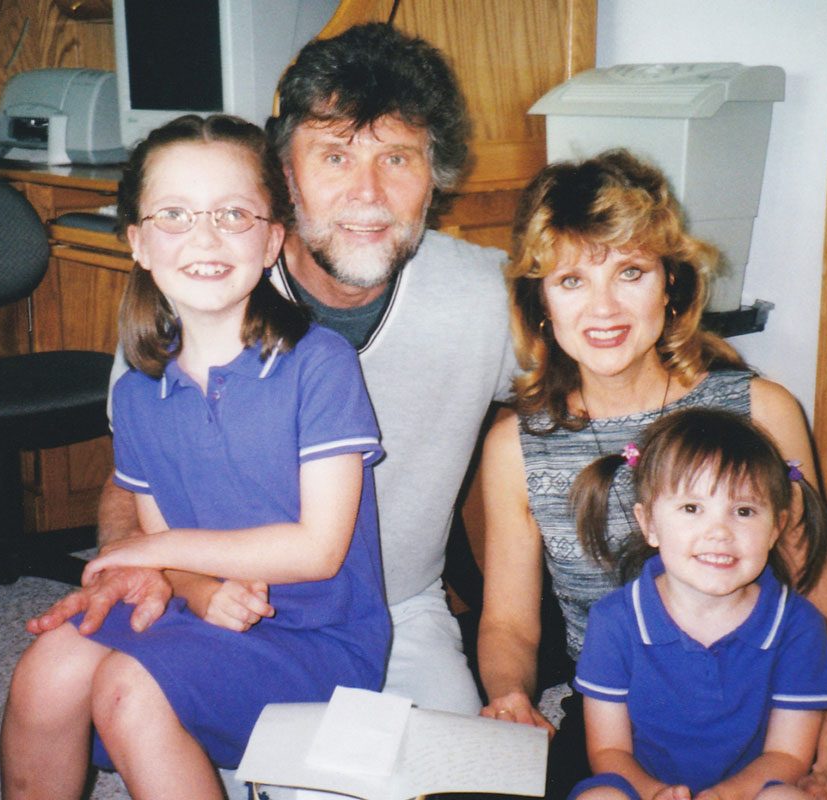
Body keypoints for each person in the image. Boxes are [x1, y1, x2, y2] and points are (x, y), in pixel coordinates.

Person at [27, 20, 516, 726]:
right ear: (284, 176)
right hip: (218, 603)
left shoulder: (488, 295)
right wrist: (134, 560)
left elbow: (620, 393)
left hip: (396, 609)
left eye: (399, 160)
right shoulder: (200, 287)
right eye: (336, 157)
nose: (368, 193)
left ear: (434, 180)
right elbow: (134, 472)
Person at [0, 114, 390, 800]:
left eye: (233, 213)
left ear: (272, 240)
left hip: (321, 640)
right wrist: (198, 587)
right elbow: (162, 551)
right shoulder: (141, 392)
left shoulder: (320, 365)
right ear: (139, 243)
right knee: (48, 665)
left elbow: (318, 550)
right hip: (204, 613)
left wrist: (149, 554)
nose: (205, 237)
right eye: (174, 215)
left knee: (127, 685)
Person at [476, 149, 827, 800]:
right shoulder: (515, 447)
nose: (603, 308)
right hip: (617, 725)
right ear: (539, 301)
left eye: (629, 272)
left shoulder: (762, 412)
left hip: (767, 718)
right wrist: (512, 697)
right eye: (572, 280)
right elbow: (508, 626)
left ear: (671, 284)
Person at [567, 407, 827, 800]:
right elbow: (610, 750)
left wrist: (723, 796)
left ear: (776, 528)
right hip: (642, 791)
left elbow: (787, 755)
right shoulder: (615, 620)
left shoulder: (798, 625)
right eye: (692, 508)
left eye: (743, 511)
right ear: (650, 525)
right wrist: (657, 793)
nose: (719, 532)